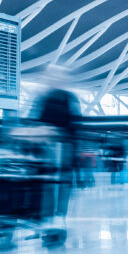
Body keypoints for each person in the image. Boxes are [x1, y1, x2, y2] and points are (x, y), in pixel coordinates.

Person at [32, 65, 82, 218]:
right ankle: (48, 215)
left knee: (60, 183)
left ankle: (58, 216)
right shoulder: (43, 97)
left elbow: (75, 124)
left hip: (62, 148)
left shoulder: (68, 98)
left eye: (56, 76)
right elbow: (34, 120)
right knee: (47, 183)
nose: (53, 79)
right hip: (49, 148)